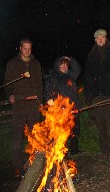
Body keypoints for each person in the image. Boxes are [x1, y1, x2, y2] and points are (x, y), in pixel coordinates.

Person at [4, 37, 43, 178]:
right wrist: (10, 95)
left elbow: (40, 84)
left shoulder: (35, 63)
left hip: (33, 105)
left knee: (35, 136)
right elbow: (8, 83)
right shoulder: (12, 64)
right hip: (19, 105)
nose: (27, 51)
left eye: (29, 48)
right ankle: (17, 167)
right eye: (24, 48)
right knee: (17, 137)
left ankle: (35, 164)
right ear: (20, 48)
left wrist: (40, 101)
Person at [85, 29, 110, 157]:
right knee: (100, 121)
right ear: (95, 40)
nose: (100, 40)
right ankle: (104, 148)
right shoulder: (91, 56)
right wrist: (89, 96)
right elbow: (88, 77)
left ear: (106, 38)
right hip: (97, 94)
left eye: (102, 37)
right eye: (98, 38)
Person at [44, 56, 81, 155]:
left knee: (74, 129)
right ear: (57, 66)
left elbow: (77, 69)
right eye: (62, 65)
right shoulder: (53, 77)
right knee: (60, 131)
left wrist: (70, 59)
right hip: (60, 110)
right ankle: (61, 152)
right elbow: (47, 90)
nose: (64, 67)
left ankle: (74, 150)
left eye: (66, 64)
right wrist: (48, 99)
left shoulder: (71, 76)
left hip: (72, 108)